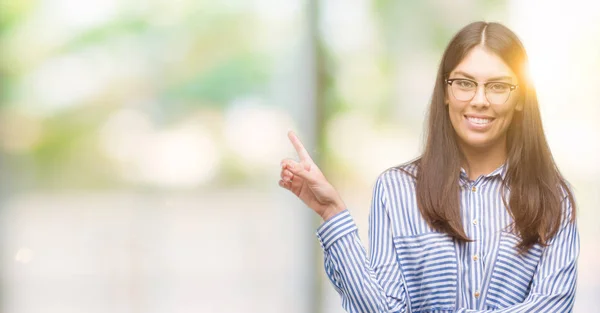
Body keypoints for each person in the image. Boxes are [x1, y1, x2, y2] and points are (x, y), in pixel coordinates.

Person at [278, 21, 579, 313]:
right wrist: (332, 212)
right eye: (464, 83)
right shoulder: (396, 189)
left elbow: (552, 306)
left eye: (498, 86)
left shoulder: (554, 199)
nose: (479, 100)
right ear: (445, 92)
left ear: (520, 98)